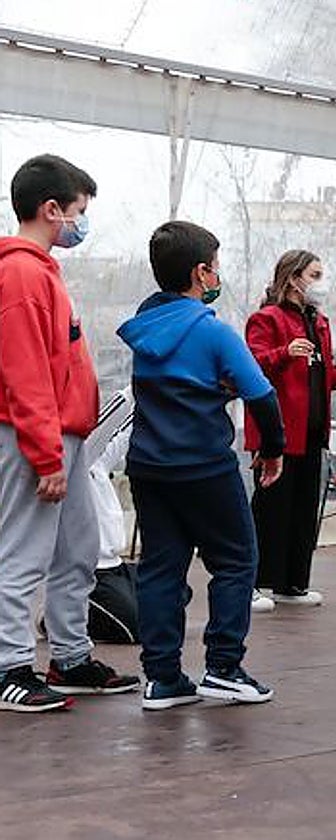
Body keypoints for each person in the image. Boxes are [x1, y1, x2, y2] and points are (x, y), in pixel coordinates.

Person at [118, 220, 286, 709]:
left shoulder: (143, 328)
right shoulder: (213, 332)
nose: (218, 276)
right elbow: (261, 395)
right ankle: (224, 668)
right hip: (205, 467)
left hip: (149, 466)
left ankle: (163, 678)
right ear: (200, 272)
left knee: (160, 569)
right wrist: (271, 451)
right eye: (214, 267)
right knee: (236, 561)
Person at [0, 154, 139, 712]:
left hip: (65, 439)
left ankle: (70, 657)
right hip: (37, 438)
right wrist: (45, 453)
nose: (82, 222)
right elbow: (25, 372)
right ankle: (10, 665)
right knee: (22, 552)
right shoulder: (21, 274)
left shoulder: (42, 272)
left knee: (77, 548)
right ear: (51, 209)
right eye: (79, 211)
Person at [245, 250, 336, 610]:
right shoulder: (265, 319)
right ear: (293, 277)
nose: (320, 282)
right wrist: (284, 352)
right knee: (270, 510)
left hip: (311, 434)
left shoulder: (318, 321)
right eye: (314, 275)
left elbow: (326, 369)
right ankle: (251, 584)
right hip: (280, 435)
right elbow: (252, 366)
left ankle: (292, 584)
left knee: (302, 511)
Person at [84, 387, 138, 643]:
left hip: (117, 566)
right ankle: (62, 617)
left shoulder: (99, 461)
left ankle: (69, 614)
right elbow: (109, 420)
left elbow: (124, 432)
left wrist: (155, 396)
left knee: (177, 593)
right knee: (135, 629)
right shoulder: (79, 456)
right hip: (93, 572)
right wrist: (139, 383)